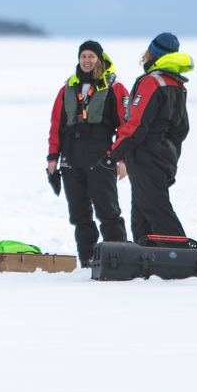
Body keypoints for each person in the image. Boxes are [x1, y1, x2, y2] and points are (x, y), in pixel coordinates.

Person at [47, 41, 129, 266]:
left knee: (108, 213)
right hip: (71, 158)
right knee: (80, 216)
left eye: (91, 56)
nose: (86, 60)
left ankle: (119, 261)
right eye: (83, 56)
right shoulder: (67, 88)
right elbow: (57, 125)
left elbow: (126, 125)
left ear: (100, 59)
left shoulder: (115, 87)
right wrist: (53, 158)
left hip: (102, 156)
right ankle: (88, 262)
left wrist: (121, 158)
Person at [106, 32, 194, 244]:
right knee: (141, 213)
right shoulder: (176, 83)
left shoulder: (151, 82)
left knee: (156, 209)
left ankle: (180, 256)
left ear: (152, 53)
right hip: (162, 154)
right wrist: (170, 157)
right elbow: (181, 128)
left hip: (146, 155)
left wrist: (113, 154)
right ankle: (145, 256)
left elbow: (135, 125)